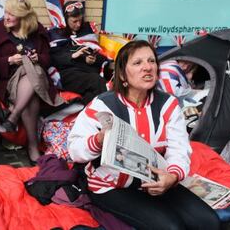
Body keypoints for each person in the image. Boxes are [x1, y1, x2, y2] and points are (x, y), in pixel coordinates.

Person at [68, 40, 220, 229]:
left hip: (157, 180)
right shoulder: (103, 105)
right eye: (137, 63)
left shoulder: (169, 105)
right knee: (171, 227)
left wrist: (172, 176)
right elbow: (75, 150)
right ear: (123, 74)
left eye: (151, 61)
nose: (147, 67)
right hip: (113, 186)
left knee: (210, 223)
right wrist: (98, 140)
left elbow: (179, 149)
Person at [0, 0, 63, 163]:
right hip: (9, 79)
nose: (6, 16)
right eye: (6, 12)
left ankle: (13, 116)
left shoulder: (36, 31)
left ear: (23, 16)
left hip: (33, 81)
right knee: (31, 76)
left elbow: (47, 58)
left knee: (32, 69)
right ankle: (33, 147)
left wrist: (38, 58)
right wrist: (9, 60)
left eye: (12, 13)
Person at [48, 1, 109, 105]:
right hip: (68, 74)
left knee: (92, 94)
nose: (78, 24)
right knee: (97, 81)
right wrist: (72, 55)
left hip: (88, 71)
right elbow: (53, 59)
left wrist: (92, 59)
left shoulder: (87, 31)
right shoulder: (56, 33)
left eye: (80, 20)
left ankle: (86, 115)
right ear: (65, 20)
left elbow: (101, 54)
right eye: (74, 21)